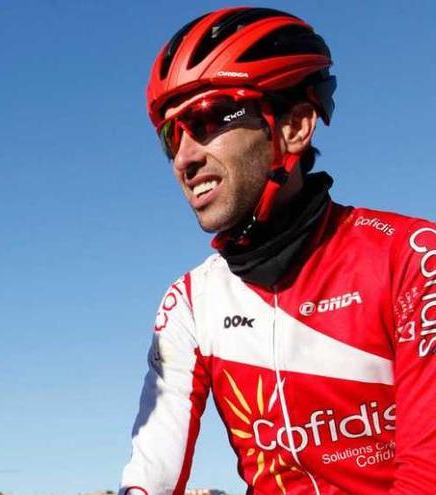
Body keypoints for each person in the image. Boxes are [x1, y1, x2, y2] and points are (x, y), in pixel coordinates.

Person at [120, 7, 436, 495]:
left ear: (294, 126)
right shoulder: (190, 303)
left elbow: (428, 474)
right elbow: (150, 477)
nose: (184, 156)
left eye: (206, 118)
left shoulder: (412, 257)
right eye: (170, 135)